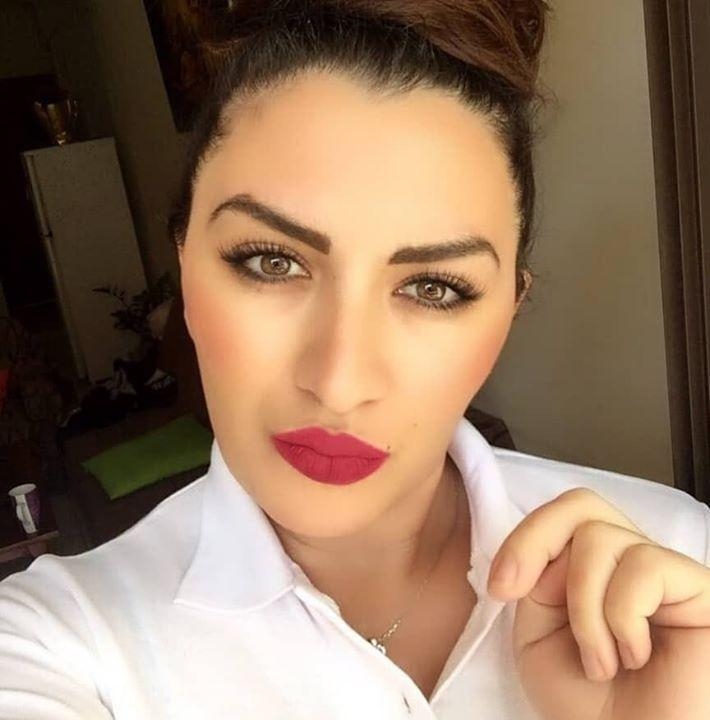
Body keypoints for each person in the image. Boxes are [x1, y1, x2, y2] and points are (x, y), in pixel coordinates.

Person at [2, 1, 710, 719]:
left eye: (433, 288)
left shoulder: (682, 566)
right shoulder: (51, 643)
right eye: (272, 262)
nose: (339, 383)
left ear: (509, 311)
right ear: (185, 265)